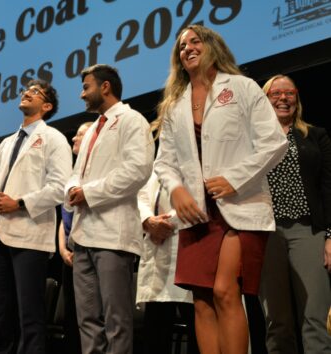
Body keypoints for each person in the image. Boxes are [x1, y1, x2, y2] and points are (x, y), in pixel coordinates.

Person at [152, 24, 288, 354]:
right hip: (196, 211)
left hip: (239, 205)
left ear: (213, 46)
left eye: (195, 41)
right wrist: (176, 191)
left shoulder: (242, 87)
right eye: (181, 46)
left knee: (225, 291)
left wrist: (234, 178)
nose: (187, 48)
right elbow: (164, 163)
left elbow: (274, 142)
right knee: (201, 300)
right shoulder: (174, 105)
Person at [65, 64, 154, 354]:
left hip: (113, 236)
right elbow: (76, 173)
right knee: (88, 321)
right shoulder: (91, 131)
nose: (82, 94)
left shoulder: (132, 120)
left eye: (86, 87)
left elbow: (138, 170)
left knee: (117, 322)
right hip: (83, 237)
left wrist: (88, 193)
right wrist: (72, 190)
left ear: (105, 87)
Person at [0, 79, 72, 354]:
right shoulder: (8, 142)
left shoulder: (54, 139)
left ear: (46, 106)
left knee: (29, 316)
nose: (26, 93)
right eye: (26, 90)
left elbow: (59, 187)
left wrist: (19, 203)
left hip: (30, 238)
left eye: (35, 92)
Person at [258, 74, 331, 353]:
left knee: (315, 317)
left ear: (297, 98)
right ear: (264, 101)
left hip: (308, 231)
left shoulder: (315, 136)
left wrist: (330, 236)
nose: (283, 98)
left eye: (289, 93)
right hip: (267, 232)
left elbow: (328, 187)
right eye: (275, 94)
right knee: (277, 321)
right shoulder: (252, 140)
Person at [136, 173, 198, 354]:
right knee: (156, 330)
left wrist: (165, 224)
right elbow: (141, 196)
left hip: (189, 246)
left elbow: (198, 201)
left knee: (196, 324)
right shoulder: (158, 163)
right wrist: (148, 220)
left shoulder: (198, 154)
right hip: (159, 253)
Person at [57, 121, 91, 354]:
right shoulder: (72, 174)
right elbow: (63, 217)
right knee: (71, 314)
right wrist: (61, 248)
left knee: (88, 314)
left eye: (80, 134)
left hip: (87, 249)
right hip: (68, 254)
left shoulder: (94, 171)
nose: (74, 139)